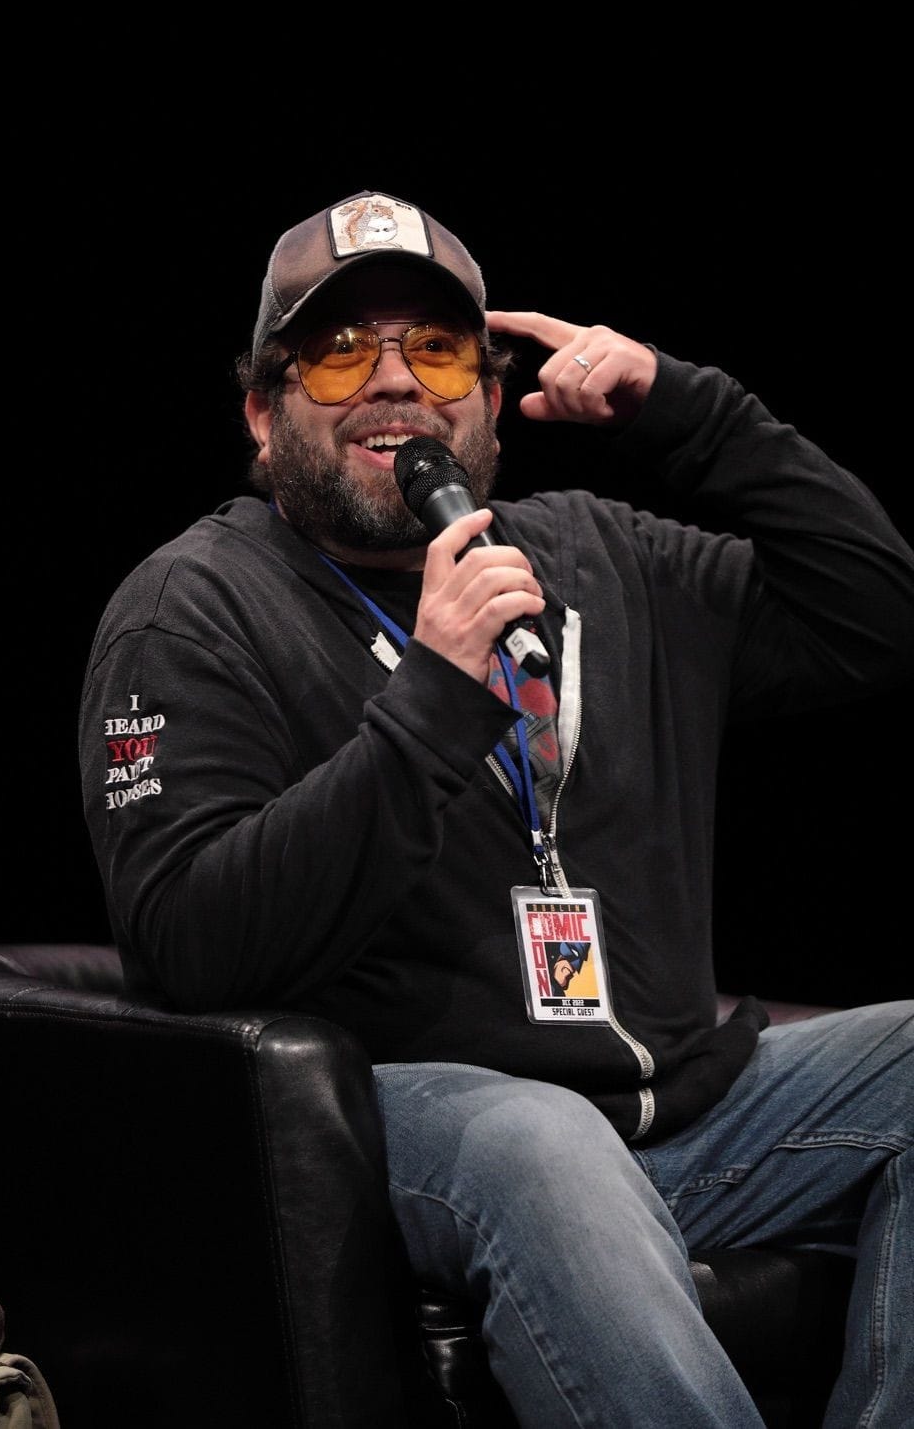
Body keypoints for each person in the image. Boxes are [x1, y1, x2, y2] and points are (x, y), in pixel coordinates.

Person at [78, 188, 914, 1427]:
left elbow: (873, 613)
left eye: (438, 348)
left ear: (485, 398)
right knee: (541, 1138)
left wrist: (685, 410)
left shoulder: (595, 557)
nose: (396, 383)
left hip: (676, 1109)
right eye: (339, 351)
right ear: (262, 412)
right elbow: (190, 943)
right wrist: (430, 699)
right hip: (410, 1120)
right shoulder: (193, 609)